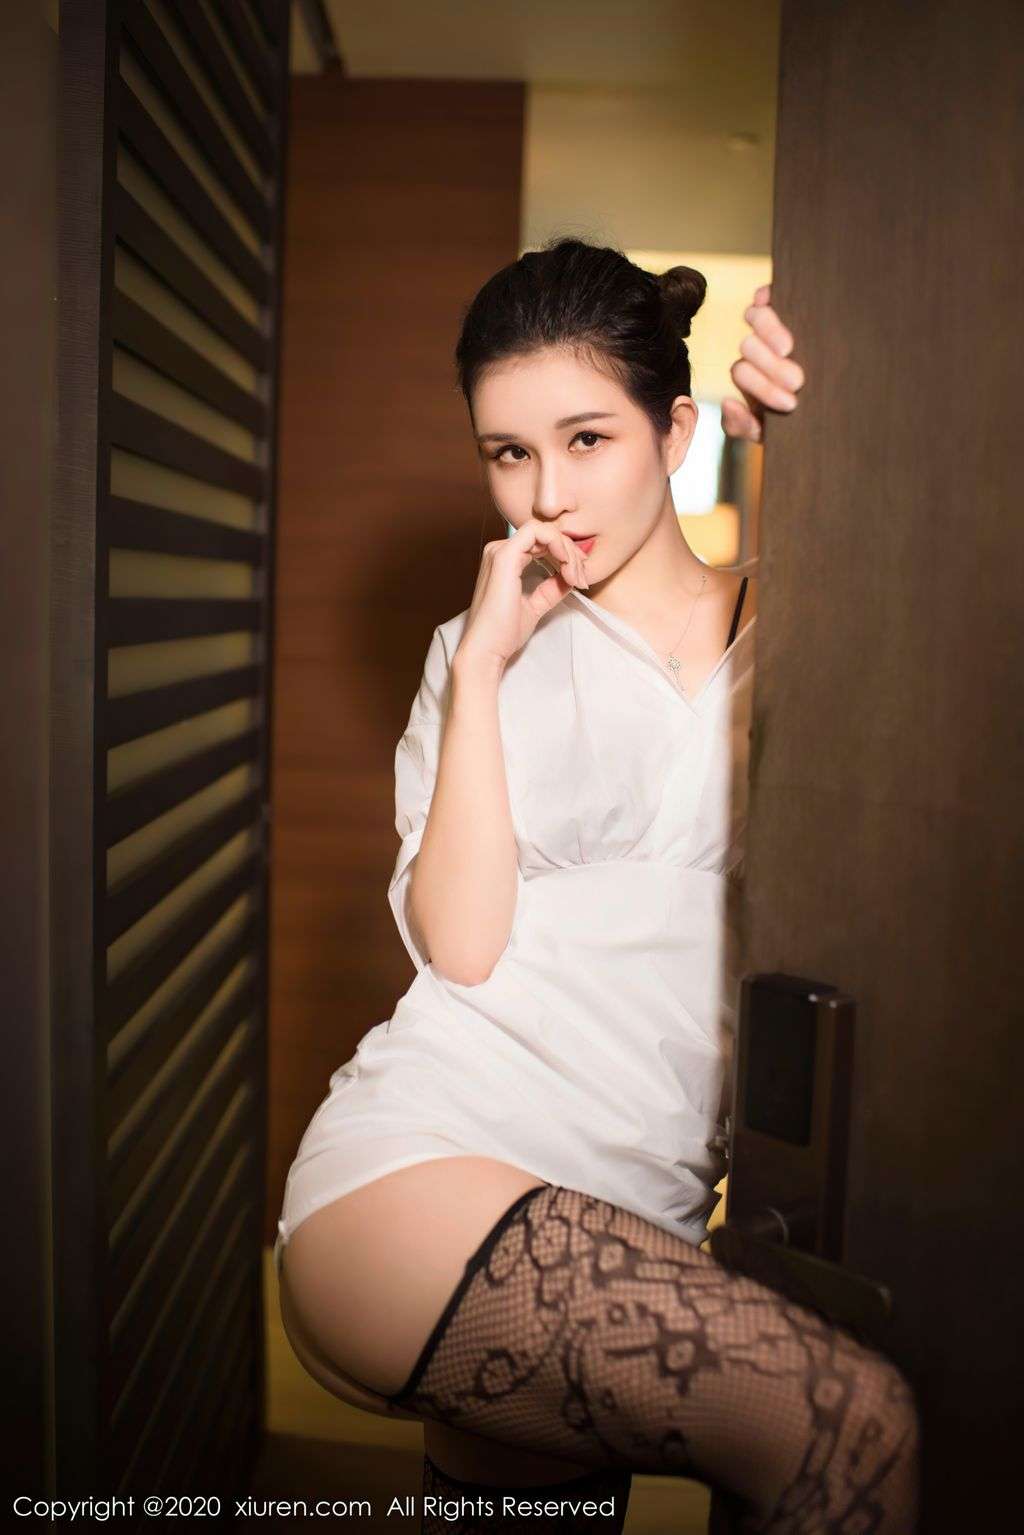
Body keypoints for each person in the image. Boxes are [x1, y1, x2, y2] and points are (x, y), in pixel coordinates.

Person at [274, 238, 921, 1533]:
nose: (547, 496)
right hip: (421, 1173)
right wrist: (482, 671)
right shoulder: (477, 651)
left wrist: (844, 391)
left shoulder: (812, 623)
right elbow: (460, 947)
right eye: (509, 453)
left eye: (587, 440)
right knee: (856, 1426)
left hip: (633, 1218)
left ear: (675, 430)